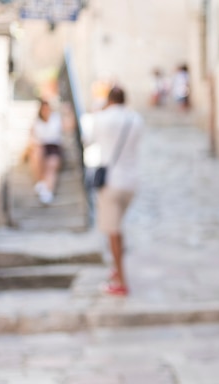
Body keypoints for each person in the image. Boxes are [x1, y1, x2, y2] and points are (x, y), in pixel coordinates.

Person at [83, 86, 144, 296]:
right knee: (118, 228)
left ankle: (121, 281)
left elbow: (88, 139)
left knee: (113, 232)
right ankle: (117, 269)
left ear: (109, 100)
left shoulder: (101, 118)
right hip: (132, 182)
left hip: (111, 182)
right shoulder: (135, 119)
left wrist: (98, 110)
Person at [28, 99, 63, 205]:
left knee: (51, 165)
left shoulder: (56, 118)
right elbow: (32, 137)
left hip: (54, 147)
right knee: (37, 154)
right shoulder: (36, 121)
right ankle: (42, 184)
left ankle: (47, 190)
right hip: (41, 147)